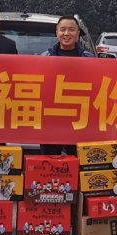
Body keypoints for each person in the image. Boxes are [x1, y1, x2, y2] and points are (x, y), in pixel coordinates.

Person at [38, 16, 94, 155]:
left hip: (79, 119)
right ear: (57, 33)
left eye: (71, 29)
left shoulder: (89, 59)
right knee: (50, 160)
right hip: (51, 119)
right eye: (62, 30)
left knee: (78, 159)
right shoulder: (44, 58)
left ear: (78, 33)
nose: (66, 33)